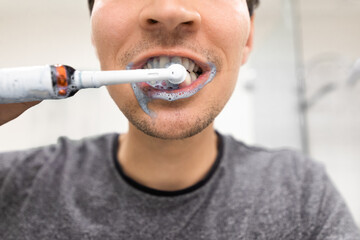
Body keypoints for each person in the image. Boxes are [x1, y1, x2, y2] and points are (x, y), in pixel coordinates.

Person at [0, 0, 359, 239]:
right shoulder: (10, 185)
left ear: (248, 36)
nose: (170, 10)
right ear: (95, 36)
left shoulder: (301, 192)